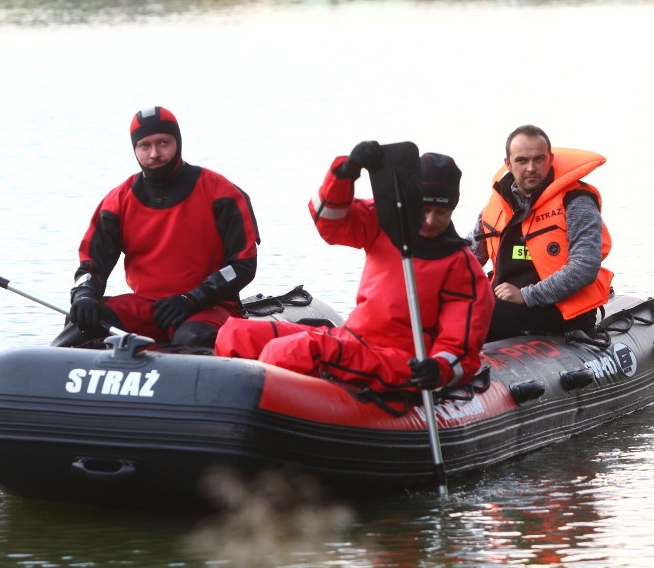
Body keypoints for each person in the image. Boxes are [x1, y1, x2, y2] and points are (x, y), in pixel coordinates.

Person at [214, 141, 493, 392]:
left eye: (441, 212)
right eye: (424, 209)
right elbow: (330, 222)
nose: (431, 220)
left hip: (405, 361)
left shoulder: (461, 267)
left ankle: (266, 415)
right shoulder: (386, 223)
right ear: (411, 202)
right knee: (235, 333)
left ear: (453, 209)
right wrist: (346, 172)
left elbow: (460, 345)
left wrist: (437, 368)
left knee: (288, 352)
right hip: (355, 338)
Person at [62, 106, 260, 348]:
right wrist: (84, 296)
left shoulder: (221, 193)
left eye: (163, 142)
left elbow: (242, 265)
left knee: (190, 339)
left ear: (178, 141)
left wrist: (194, 298)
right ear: (135, 149)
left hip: (210, 307)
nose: (155, 153)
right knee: (81, 324)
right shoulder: (117, 201)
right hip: (148, 307)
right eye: (145, 146)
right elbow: (91, 265)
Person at [467, 124, 613, 341]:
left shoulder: (576, 202)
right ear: (508, 164)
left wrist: (526, 295)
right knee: (448, 308)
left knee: (474, 315)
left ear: (550, 159)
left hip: (560, 310)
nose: (531, 168)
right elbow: (469, 254)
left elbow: (585, 267)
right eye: (522, 160)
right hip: (507, 303)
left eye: (539, 159)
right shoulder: (496, 205)